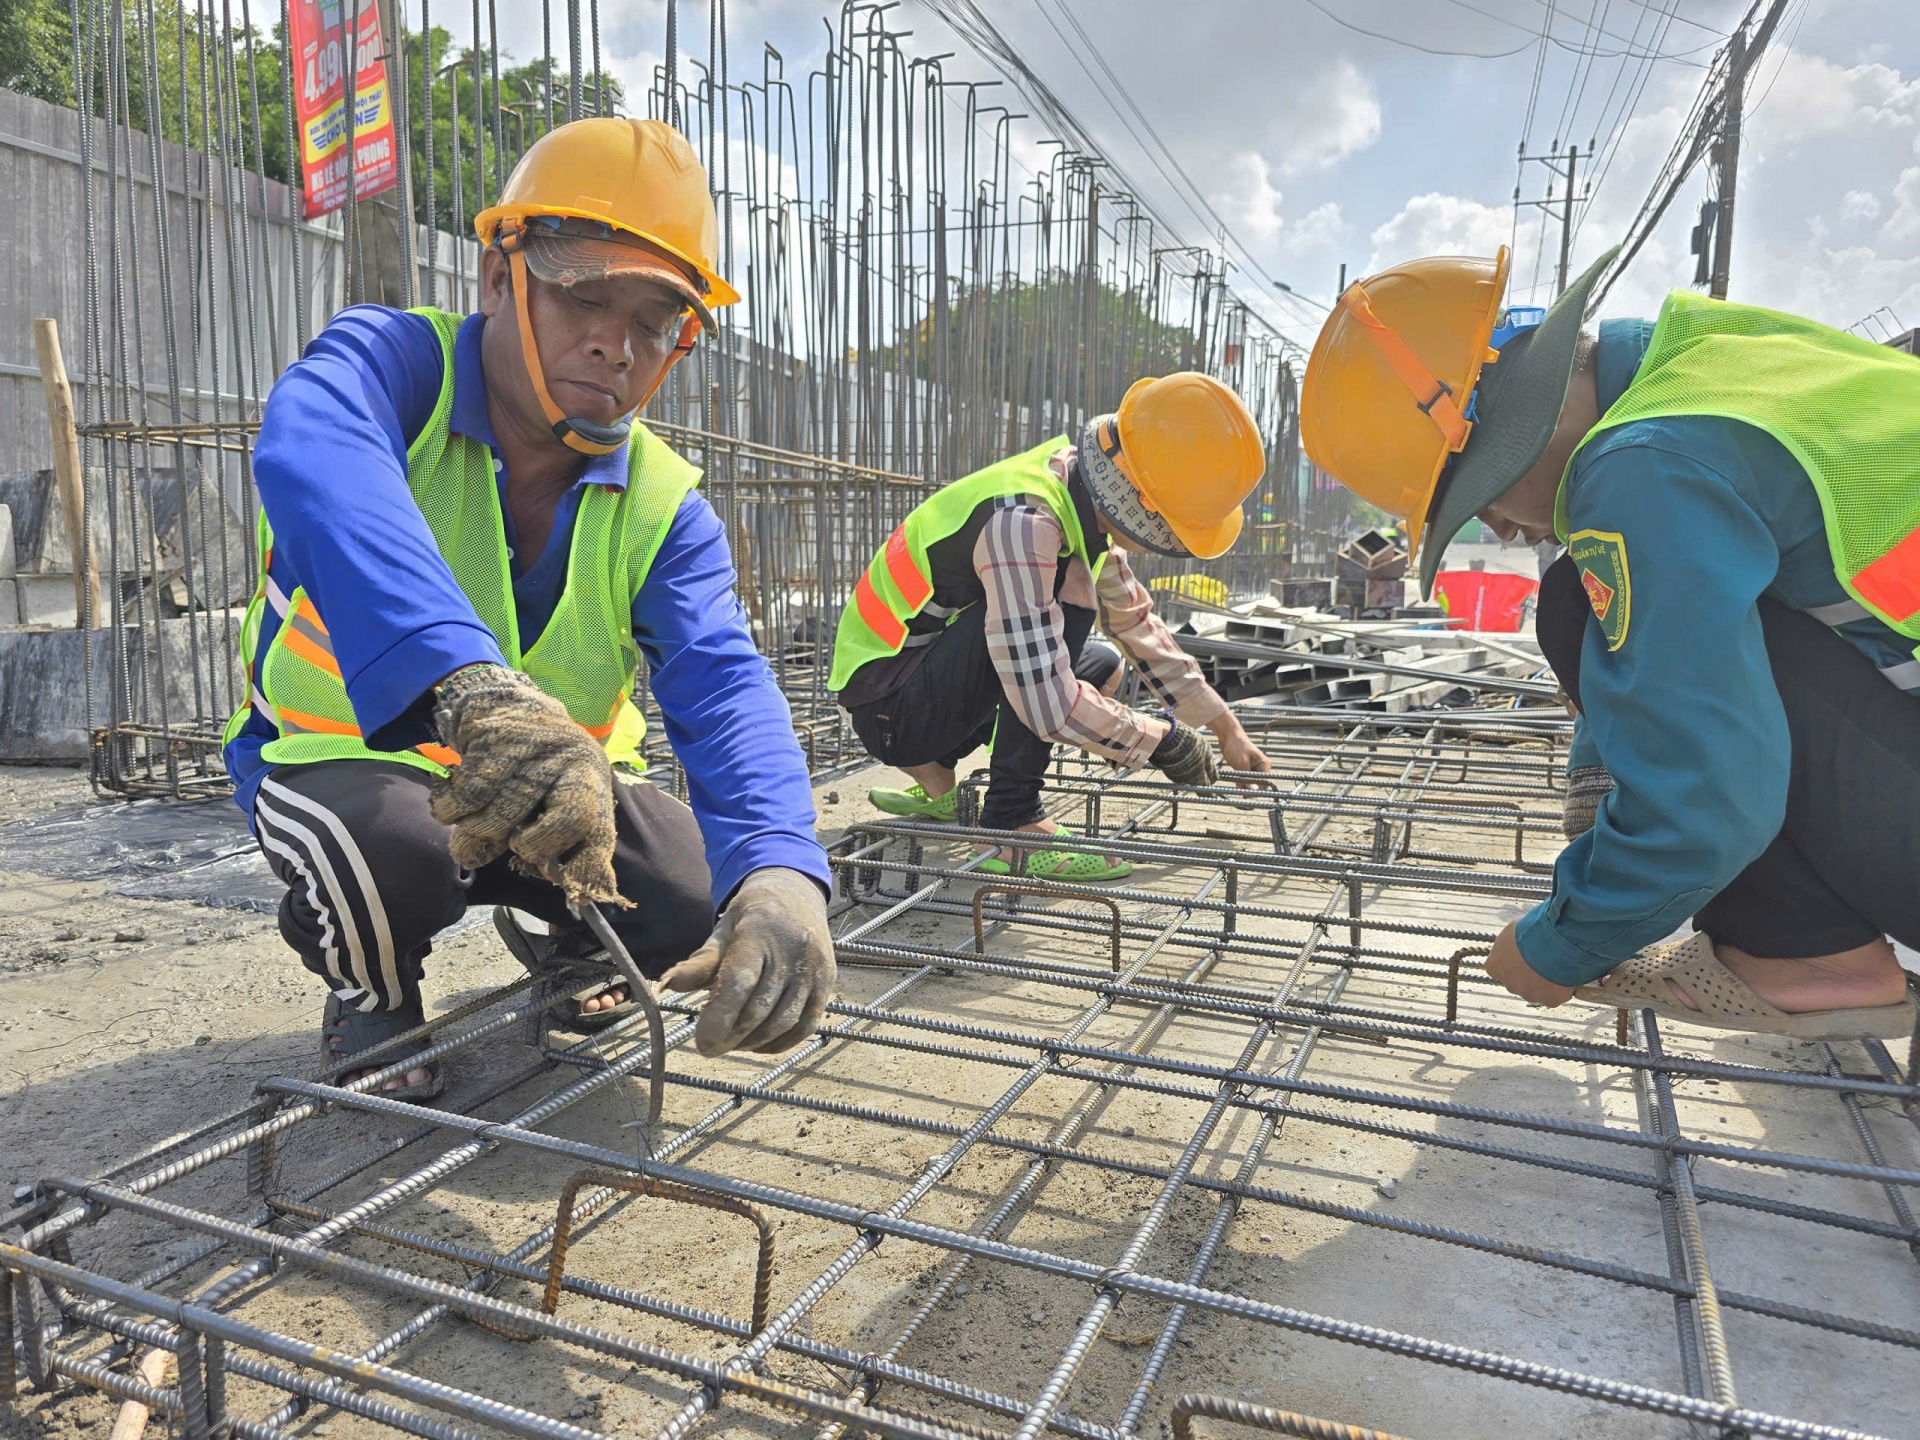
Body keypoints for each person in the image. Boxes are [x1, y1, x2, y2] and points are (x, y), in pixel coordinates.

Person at [224, 118, 835, 1097]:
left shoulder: (662, 503)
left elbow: (723, 684)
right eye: (584, 295)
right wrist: (468, 687)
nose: (615, 344)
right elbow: (317, 456)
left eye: (654, 323)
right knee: (388, 859)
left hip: (556, 793)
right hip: (347, 768)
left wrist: (781, 871)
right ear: (497, 278)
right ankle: (372, 991)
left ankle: (572, 950)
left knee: (691, 888)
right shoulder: (393, 369)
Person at [1300, 244, 1920, 1040]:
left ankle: (1809, 953)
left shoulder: (1641, 465)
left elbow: (1710, 798)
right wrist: (1603, 776)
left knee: (1573, 599)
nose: (1501, 527)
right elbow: (1696, 621)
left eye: (1478, 497)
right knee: (1587, 593)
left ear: (1492, 428)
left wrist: (1562, 941)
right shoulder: (1710, 361)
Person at [828, 374, 1276, 881]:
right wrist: (1162, 739)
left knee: (1101, 659)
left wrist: (1225, 727)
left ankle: (938, 778)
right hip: (891, 711)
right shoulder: (1025, 524)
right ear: (1143, 502)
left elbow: (1135, 623)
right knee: (1068, 597)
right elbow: (1043, 696)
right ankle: (1012, 824)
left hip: (915, 684)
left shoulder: (1072, 495)